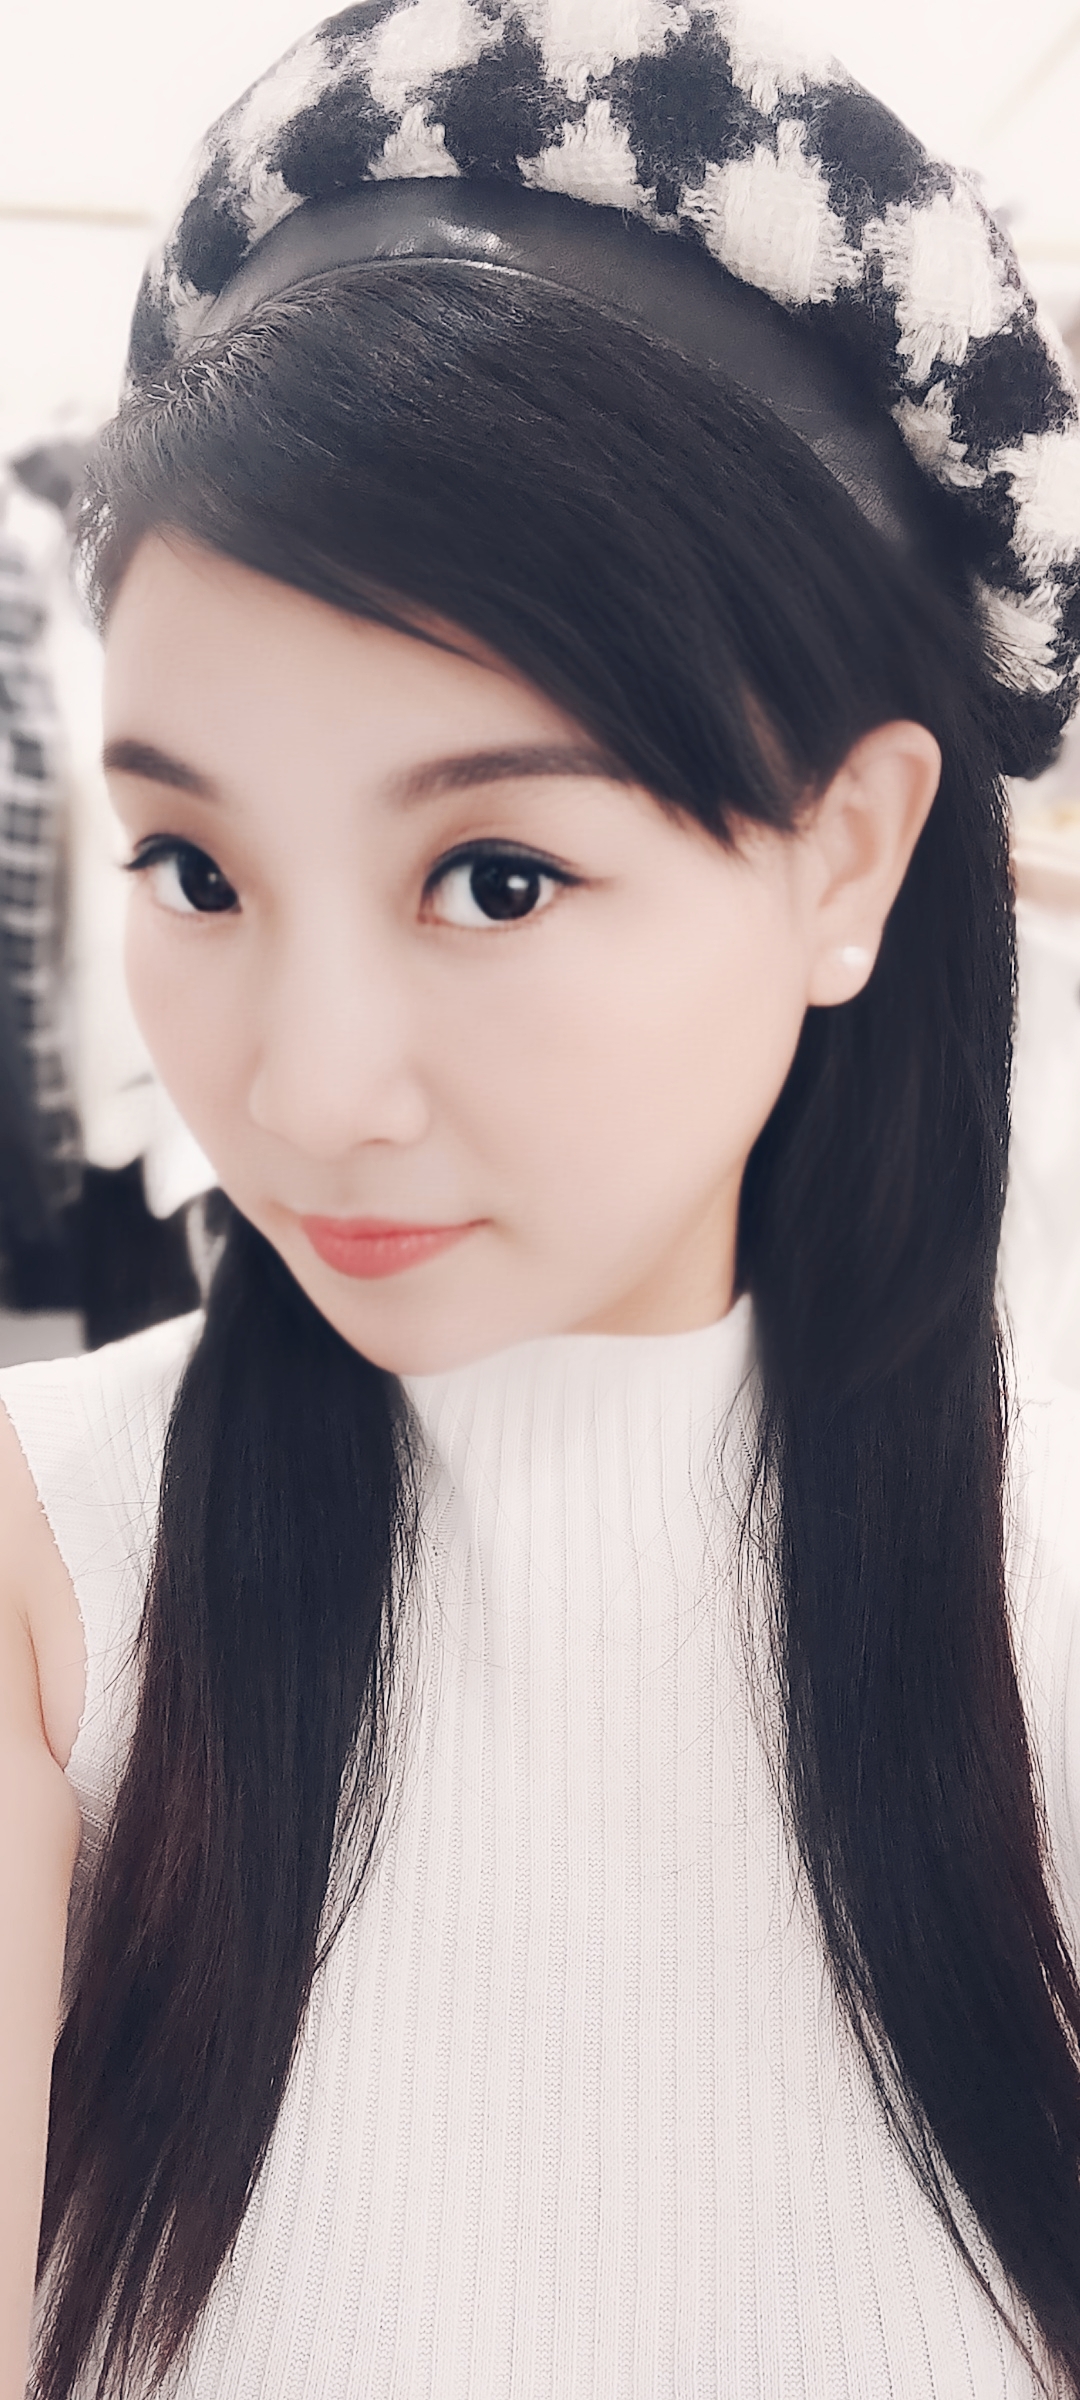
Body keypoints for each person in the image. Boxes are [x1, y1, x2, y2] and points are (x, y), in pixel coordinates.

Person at [2, 3, 1080, 2393]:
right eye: (194, 867)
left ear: (850, 857)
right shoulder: (47, 1575)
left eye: (496, 875)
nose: (302, 1091)